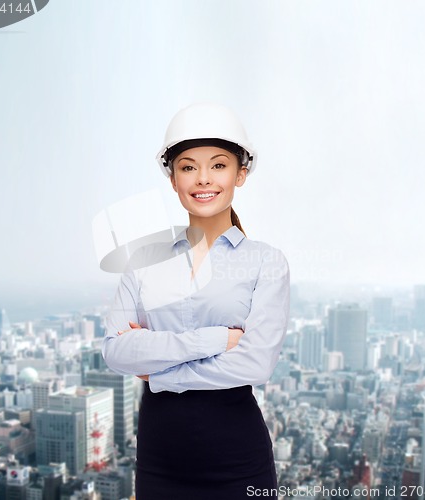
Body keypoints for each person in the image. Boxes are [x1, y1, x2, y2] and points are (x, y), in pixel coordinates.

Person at [102, 103, 290, 499]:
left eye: (218, 165)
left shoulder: (266, 261)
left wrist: (160, 373)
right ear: (173, 179)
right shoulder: (143, 260)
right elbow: (117, 351)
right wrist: (217, 339)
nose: (203, 179)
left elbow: (256, 362)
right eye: (188, 167)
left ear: (241, 173)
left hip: (239, 461)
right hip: (159, 461)